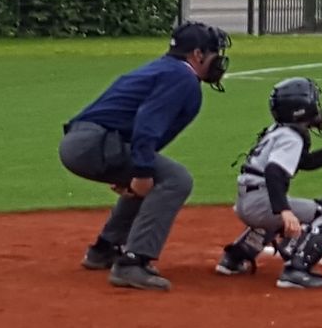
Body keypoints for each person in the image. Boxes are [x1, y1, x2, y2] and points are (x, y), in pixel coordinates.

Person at [58, 21, 231, 291]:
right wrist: (139, 171)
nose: (218, 61)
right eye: (213, 53)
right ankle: (133, 263)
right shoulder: (182, 77)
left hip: (89, 141)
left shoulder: (165, 68)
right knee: (176, 179)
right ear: (198, 54)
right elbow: (147, 124)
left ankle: (105, 248)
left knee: (149, 176)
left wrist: (132, 171)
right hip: (94, 143)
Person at [215, 77, 322, 289]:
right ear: (300, 109)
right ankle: (296, 271)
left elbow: (305, 162)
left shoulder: (278, 131)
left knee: (277, 213)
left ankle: (235, 257)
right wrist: (284, 211)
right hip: (261, 201)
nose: (317, 106)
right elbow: (274, 171)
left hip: (248, 200)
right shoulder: (291, 138)